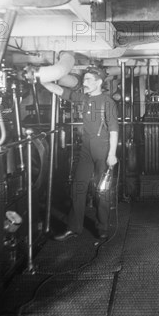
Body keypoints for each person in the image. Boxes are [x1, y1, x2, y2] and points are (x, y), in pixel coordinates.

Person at [42, 66, 119, 240]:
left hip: (103, 148)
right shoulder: (82, 98)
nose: (84, 83)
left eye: (88, 80)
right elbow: (60, 90)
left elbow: (114, 130)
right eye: (83, 80)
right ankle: (74, 227)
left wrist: (112, 154)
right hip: (85, 149)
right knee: (78, 187)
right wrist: (42, 80)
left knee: (102, 190)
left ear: (99, 82)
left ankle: (103, 227)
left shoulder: (108, 102)